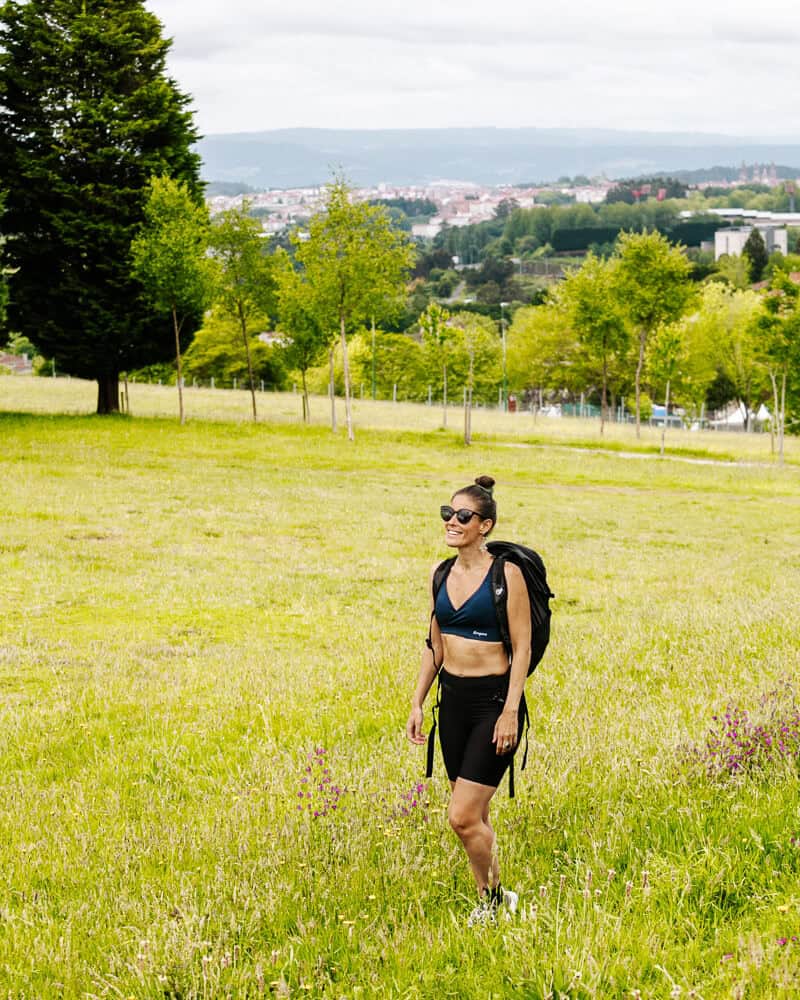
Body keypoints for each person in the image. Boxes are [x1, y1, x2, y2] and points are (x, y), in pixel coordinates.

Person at [406, 475, 531, 926]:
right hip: (452, 704)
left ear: (486, 526)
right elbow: (434, 645)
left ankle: (495, 901)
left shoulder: (506, 576)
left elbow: (522, 648)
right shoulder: (440, 574)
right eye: (448, 513)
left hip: (491, 705)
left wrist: (510, 711)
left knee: (461, 817)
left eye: (463, 516)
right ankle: (496, 895)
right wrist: (418, 701)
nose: (452, 522)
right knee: (475, 813)